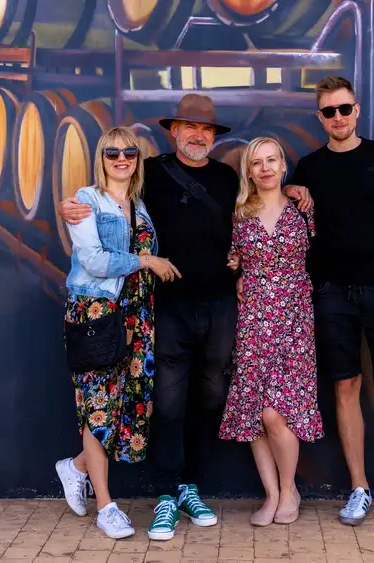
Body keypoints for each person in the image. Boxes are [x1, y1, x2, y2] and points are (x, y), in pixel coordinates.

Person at [58, 94, 312, 541]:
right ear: (173, 131)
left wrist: (295, 189)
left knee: (210, 398)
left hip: (220, 305)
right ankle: (167, 491)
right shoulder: (150, 174)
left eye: (206, 129)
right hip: (167, 306)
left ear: (213, 136)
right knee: (169, 400)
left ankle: (189, 486)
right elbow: (109, 198)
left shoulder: (227, 177)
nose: (198, 135)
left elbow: (261, 200)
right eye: (189, 127)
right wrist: (70, 206)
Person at [284, 75, 374, 533]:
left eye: (344, 108)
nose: (338, 117)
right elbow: (281, 203)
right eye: (329, 111)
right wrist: (291, 190)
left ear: (357, 110)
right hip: (330, 293)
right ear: (320, 117)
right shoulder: (309, 167)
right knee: (345, 388)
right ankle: (359, 488)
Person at [53, 126, 182, 540]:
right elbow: (93, 260)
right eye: (113, 153)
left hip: (136, 315)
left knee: (124, 405)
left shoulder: (139, 202)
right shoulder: (87, 200)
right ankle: (106, 506)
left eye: (129, 151)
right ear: (101, 158)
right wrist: (147, 261)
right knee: (98, 407)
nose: (122, 158)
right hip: (98, 311)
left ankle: (75, 467)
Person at [220, 136, 324, 526]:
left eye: (271, 160)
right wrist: (237, 276)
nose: (265, 168)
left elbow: (324, 254)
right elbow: (231, 260)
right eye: (257, 162)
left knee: (277, 412)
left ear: (283, 165)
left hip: (294, 321)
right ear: (248, 170)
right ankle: (273, 494)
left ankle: (289, 489)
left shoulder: (303, 209)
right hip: (253, 320)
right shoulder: (238, 214)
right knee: (254, 412)